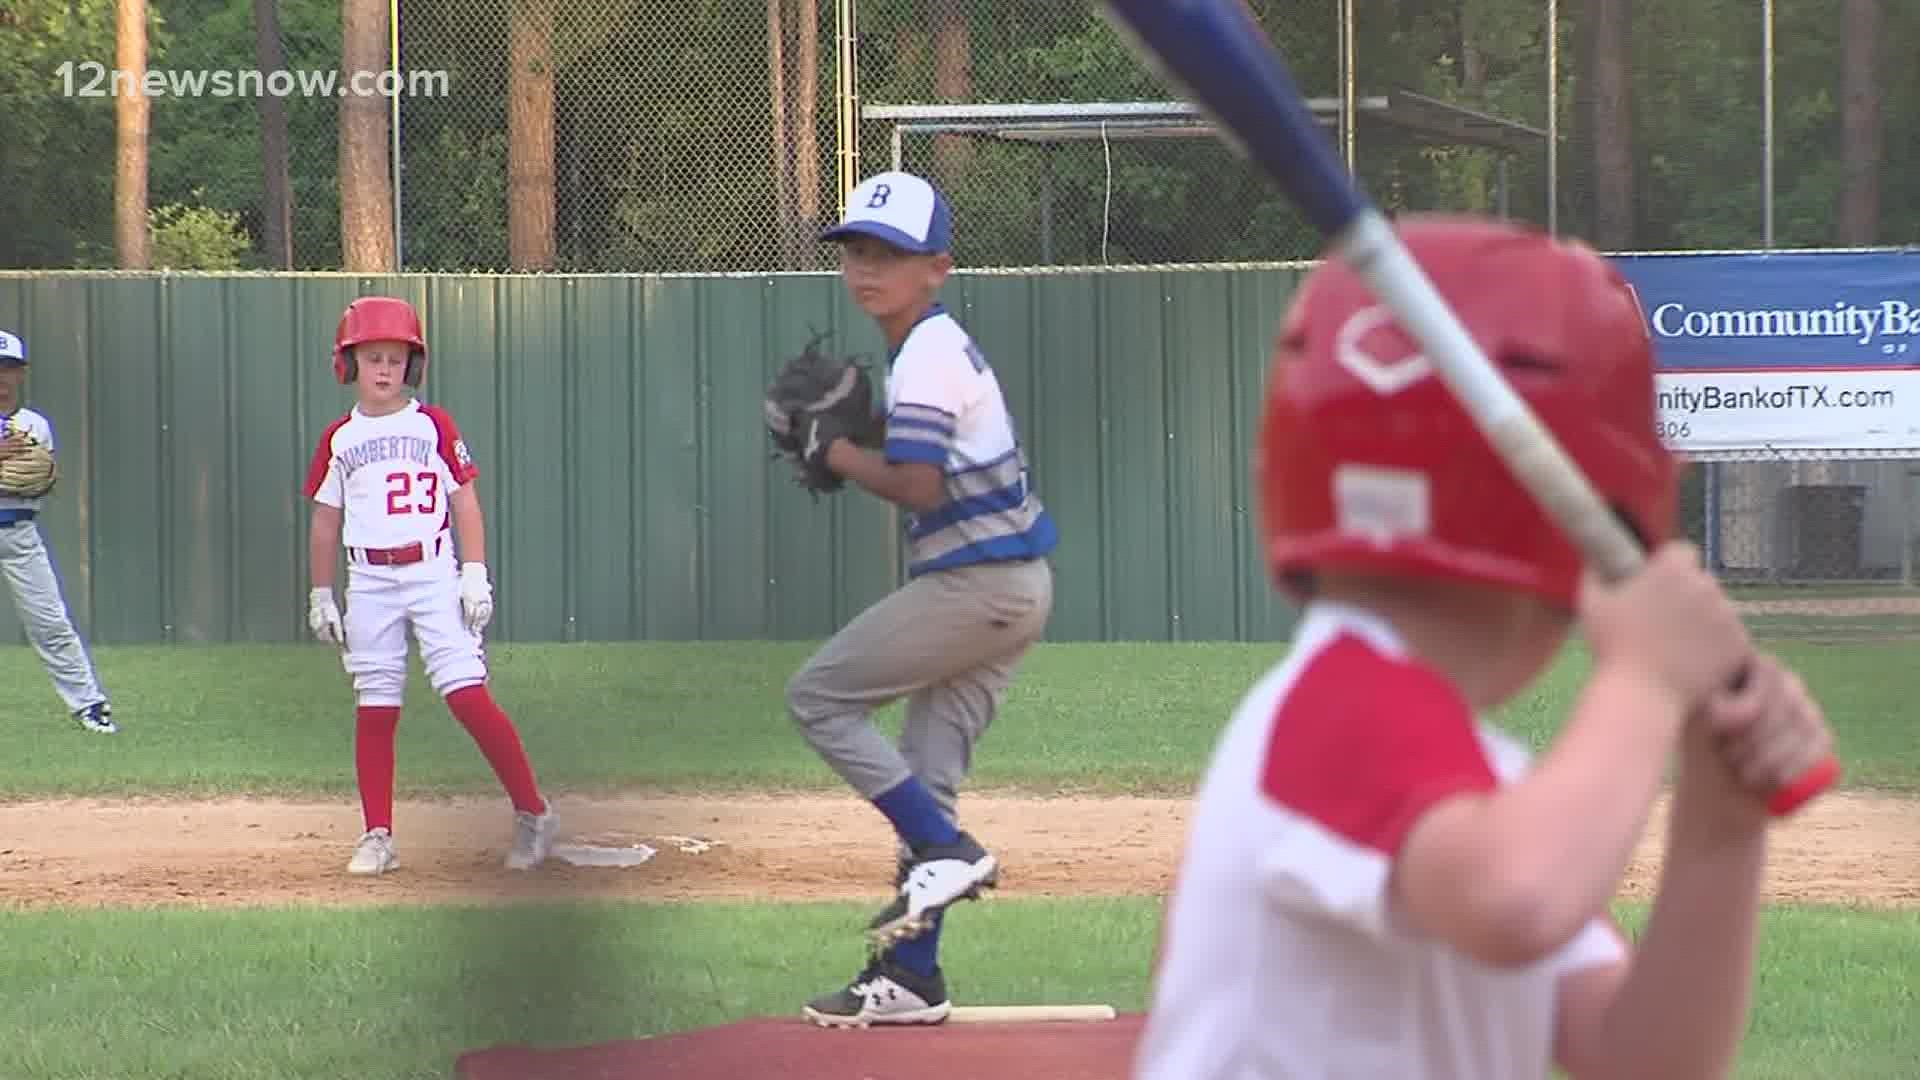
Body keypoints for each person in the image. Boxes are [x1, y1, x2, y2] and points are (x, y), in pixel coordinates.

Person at [1131, 217, 1835, 1080]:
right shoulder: (1344, 701)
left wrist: (1719, 821)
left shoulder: (1480, 786)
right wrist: (1645, 681)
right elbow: (1516, 901)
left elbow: (1641, 1056)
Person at [785, 170, 1059, 1028]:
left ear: (937, 267)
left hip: (978, 586)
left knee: (820, 699)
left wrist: (836, 456)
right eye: (857, 252)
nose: (868, 269)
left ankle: (947, 852)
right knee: (927, 779)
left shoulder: (932, 354)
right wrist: (860, 440)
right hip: (1011, 589)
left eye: (891, 255)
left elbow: (919, 487)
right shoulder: (926, 352)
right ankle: (913, 975)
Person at [302, 296, 557, 876]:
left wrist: (474, 573)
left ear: (411, 366)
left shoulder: (433, 424)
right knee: (376, 705)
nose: (384, 369)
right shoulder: (339, 438)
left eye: (395, 358)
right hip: (368, 578)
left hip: (431, 572)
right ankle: (377, 833)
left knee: (466, 693)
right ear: (349, 366)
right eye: (372, 358)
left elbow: (464, 500)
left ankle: (534, 811)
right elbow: (324, 520)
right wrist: (322, 595)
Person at [0, 329, 116, 734]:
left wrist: (38, 477)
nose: (2, 377)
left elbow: (36, 482)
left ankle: (90, 706)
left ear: (22, 373)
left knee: (51, 623)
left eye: (9, 368)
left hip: (18, 534)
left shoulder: (35, 426)